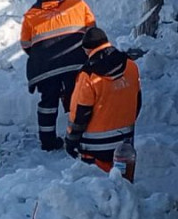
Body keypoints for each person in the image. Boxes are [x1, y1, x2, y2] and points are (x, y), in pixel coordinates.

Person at [65, 27, 142, 177]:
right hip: (125, 144)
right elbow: (138, 101)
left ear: (87, 49)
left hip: (94, 149)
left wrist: (71, 140)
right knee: (123, 187)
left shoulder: (88, 75)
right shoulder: (131, 65)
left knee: (99, 189)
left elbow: (81, 113)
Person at [20, 0, 96, 151]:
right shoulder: (79, 5)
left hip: (45, 67)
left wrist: (44, 56)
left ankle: (48, 142)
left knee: (48, 103)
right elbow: (92, 32)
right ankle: (82, 136)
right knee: (79, 98)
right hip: (75, 61)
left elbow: (26, 44)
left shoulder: (31, 14)